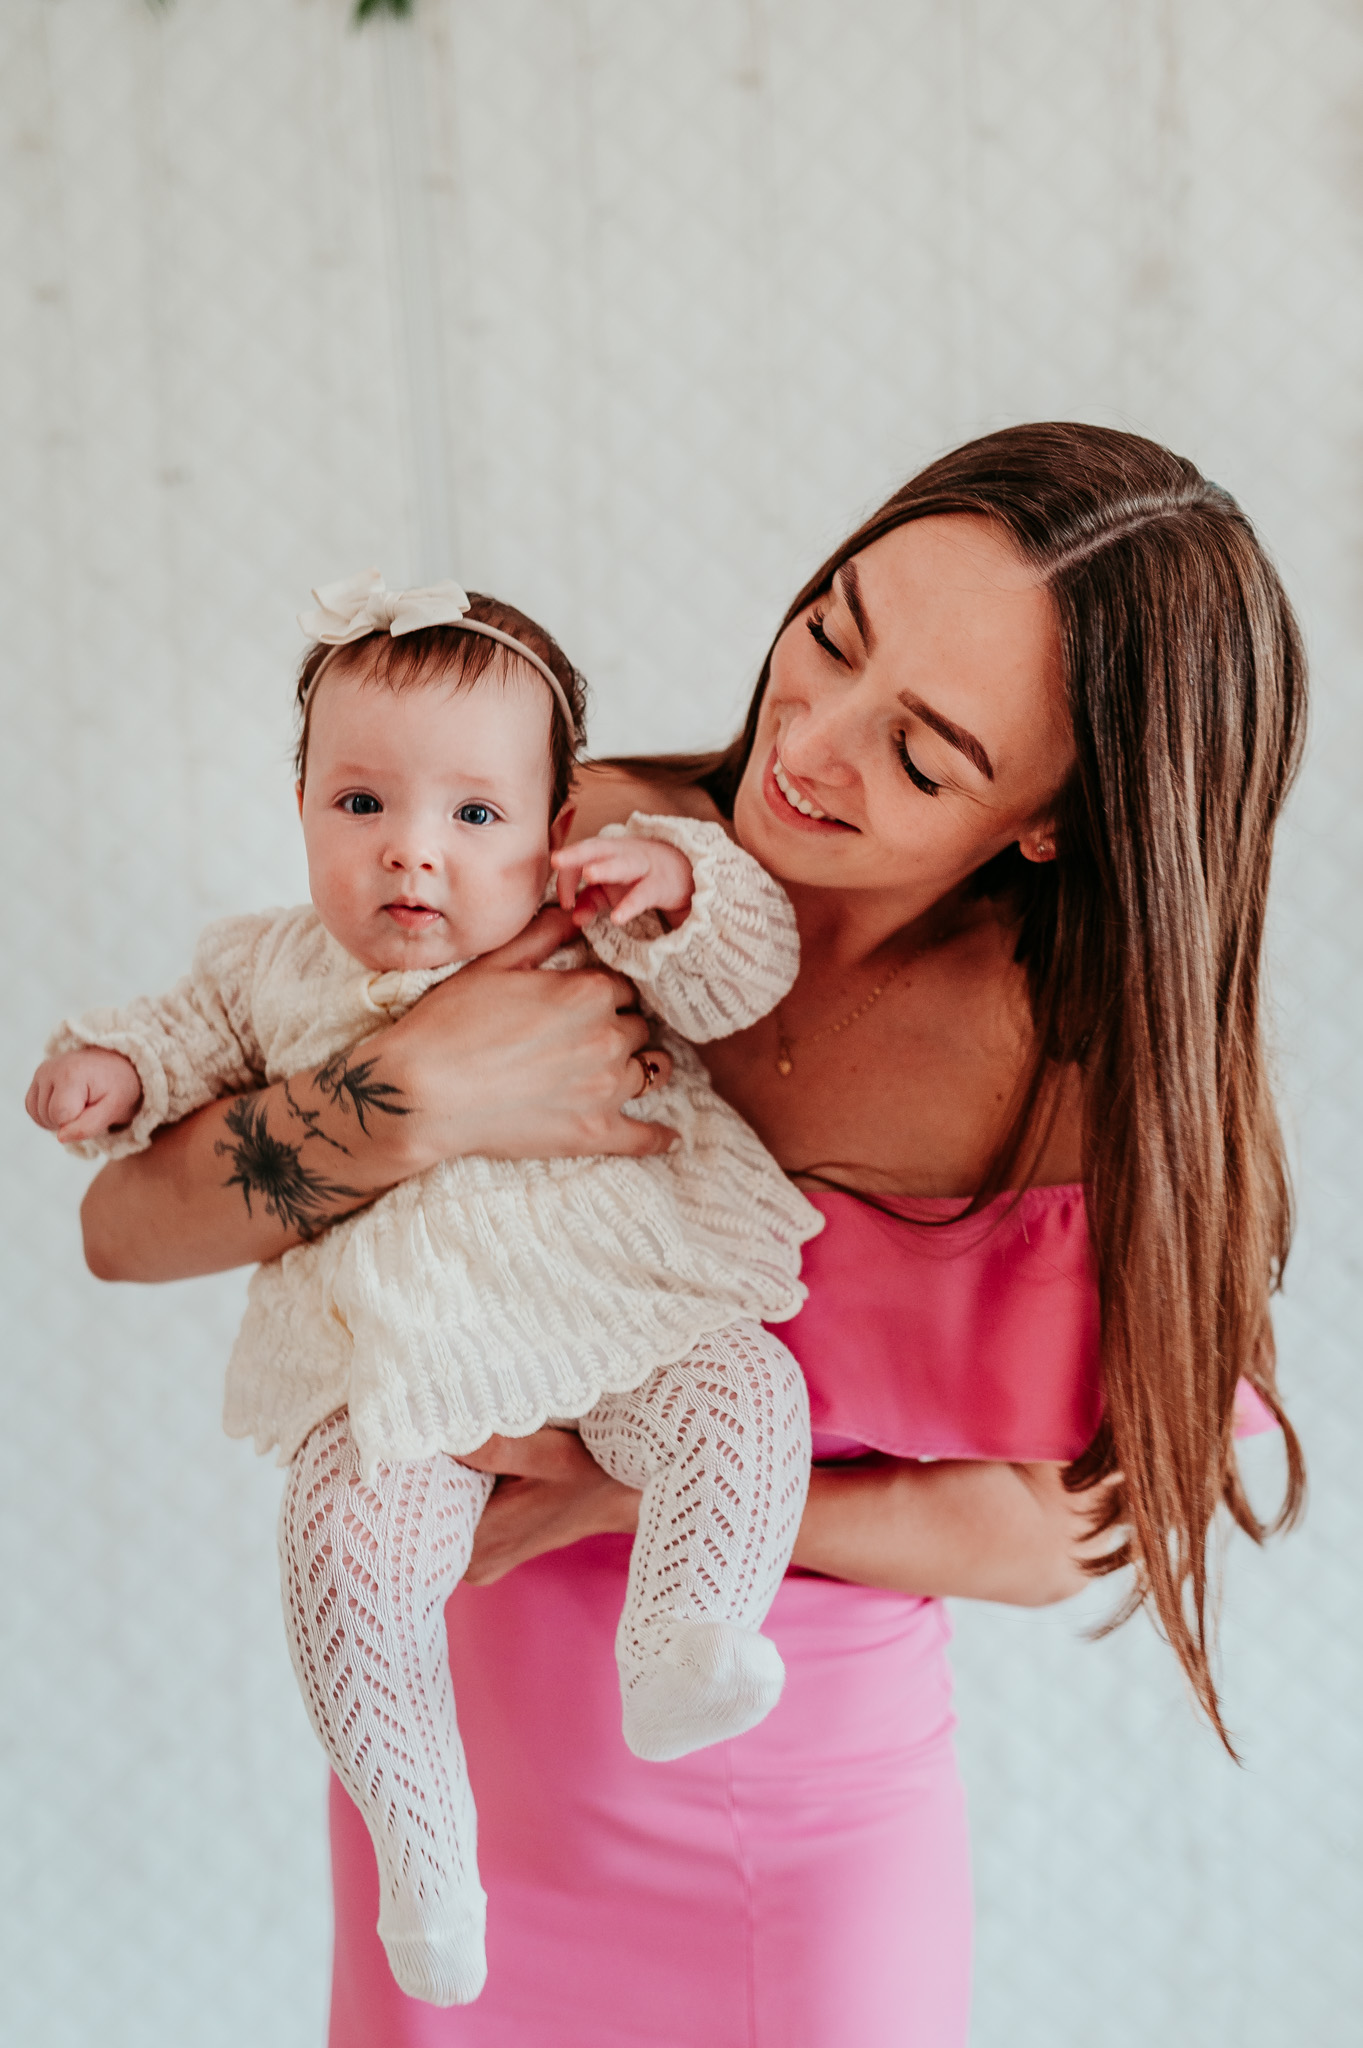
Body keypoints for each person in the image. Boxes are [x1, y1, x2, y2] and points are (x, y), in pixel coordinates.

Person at [79, 424, 1305, 2047]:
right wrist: (409, 1102)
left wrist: (626, 1490)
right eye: (834, 634)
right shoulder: (566, 851)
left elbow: (1069, 1528)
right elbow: (127, 1228)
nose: (813, 743)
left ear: (1056, 820)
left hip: (789, 1832)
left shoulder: (1080, 1087)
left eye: (923, 755)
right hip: (446, 1795)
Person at [28, 574, 827, 2004]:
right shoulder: (264, 968)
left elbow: (742, 978)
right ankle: (424, 1855)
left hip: (620, 1314)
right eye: (362, 805)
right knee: (341, 1551)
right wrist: (117, 1071)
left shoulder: (590, 921)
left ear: (555, 824)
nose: (413, 850)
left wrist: (683, 892)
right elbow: (183, 1038)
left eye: (473, 813)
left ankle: (686, 1638)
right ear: (299, 808)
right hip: (404, 1362)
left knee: (745, 1391)